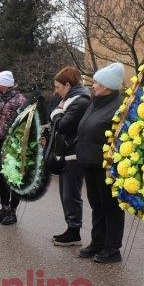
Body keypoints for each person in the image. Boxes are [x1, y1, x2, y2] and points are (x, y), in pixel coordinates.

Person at [76, 62, 125, 263]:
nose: (92, 86)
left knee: (110, 207)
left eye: (96, 83)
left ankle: (112, 248)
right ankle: (98, 242)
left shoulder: (119, 106)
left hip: (107, 166)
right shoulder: (95, 102)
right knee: (96, 204)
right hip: (90, 162)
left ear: (106, 86)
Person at [49, 67, 91, 244]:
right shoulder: (69, 100)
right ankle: (70, 228)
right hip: (66, 152)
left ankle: (74, 231)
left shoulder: (80, 101)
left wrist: (57, 113)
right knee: (65, 194)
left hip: (74, 153)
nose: (56, 91)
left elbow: (63, 125)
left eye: (58, 87)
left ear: (68, 85)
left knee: (70, 194)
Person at [0, 71, 26, 222]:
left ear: (5, 84)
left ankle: (13, 210)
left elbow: (25, 126)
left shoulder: (20, 100)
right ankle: (4, 207)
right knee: (0, 177)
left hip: (12, 144)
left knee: (12, 177)